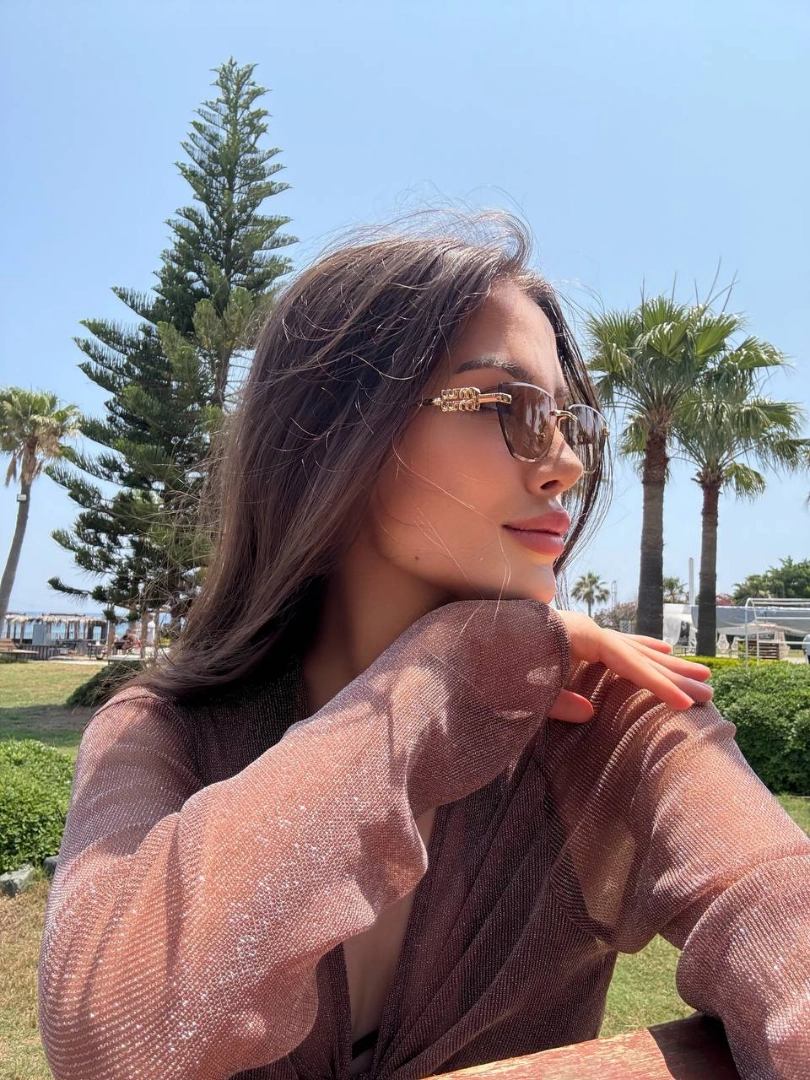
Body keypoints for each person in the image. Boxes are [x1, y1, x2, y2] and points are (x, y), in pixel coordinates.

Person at [38, 215, 808, 1080]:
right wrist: (444, 668)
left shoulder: (610, 723)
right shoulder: (161, 734)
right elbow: (112, 1038)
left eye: (572, 423)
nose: (565, 463)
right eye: (507, 407)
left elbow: (783, 918)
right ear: (337, 436)